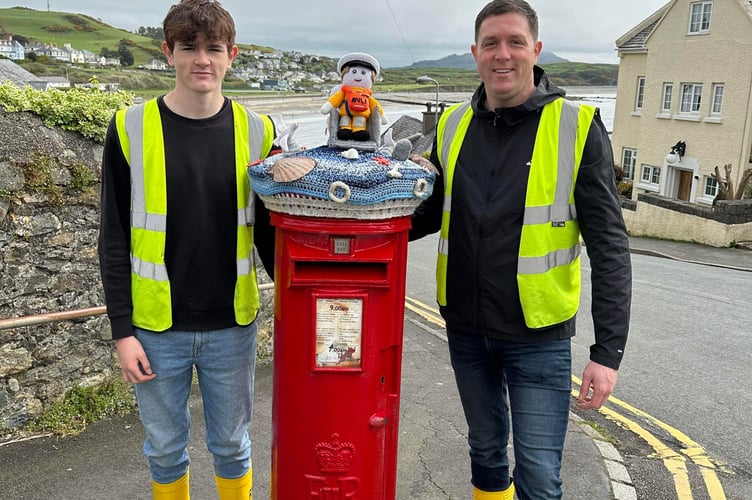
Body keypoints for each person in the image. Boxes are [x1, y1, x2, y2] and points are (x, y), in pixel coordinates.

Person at [409, 1, 632, 498]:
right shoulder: (451, 125)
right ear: (475, 53)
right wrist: (354, 221)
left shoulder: (577, 126)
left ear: (536, 49)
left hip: (539, 337)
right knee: (485, 453)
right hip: (466, 327)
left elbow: (610, 246)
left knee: (538, 474)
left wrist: (607, 352)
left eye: (514, 42)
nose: (502, 54)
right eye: (491, 44)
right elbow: (424, 214)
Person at [98, 0, 277, 498]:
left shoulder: (259, 130)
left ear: (232, 55)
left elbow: (269, 231)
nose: (203, 58)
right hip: (156, 331)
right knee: (164, 447)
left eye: (214, 48)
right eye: (189, 47)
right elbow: (113, 237)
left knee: (232, 444)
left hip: (232, 325)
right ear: (168, 53)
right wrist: (122, 333)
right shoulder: (131, 127)